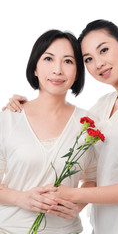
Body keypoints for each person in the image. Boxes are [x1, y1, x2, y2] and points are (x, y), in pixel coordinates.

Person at [4, 19, 118, 234]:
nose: (99, 63)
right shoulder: (101, 107)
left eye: (104, 50)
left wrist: (72, 196)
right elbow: (95, 173)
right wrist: (18, 107)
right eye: (89, 58)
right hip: (102, 225)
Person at [0, 29, 98, 234]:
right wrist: (22, 198)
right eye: (48, 59)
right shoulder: (9, 118)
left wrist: (77, 206)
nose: (57, 70)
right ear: (34, 67)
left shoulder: (88, 124)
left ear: (78, 72)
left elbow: (93, 178)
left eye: (68, 61)